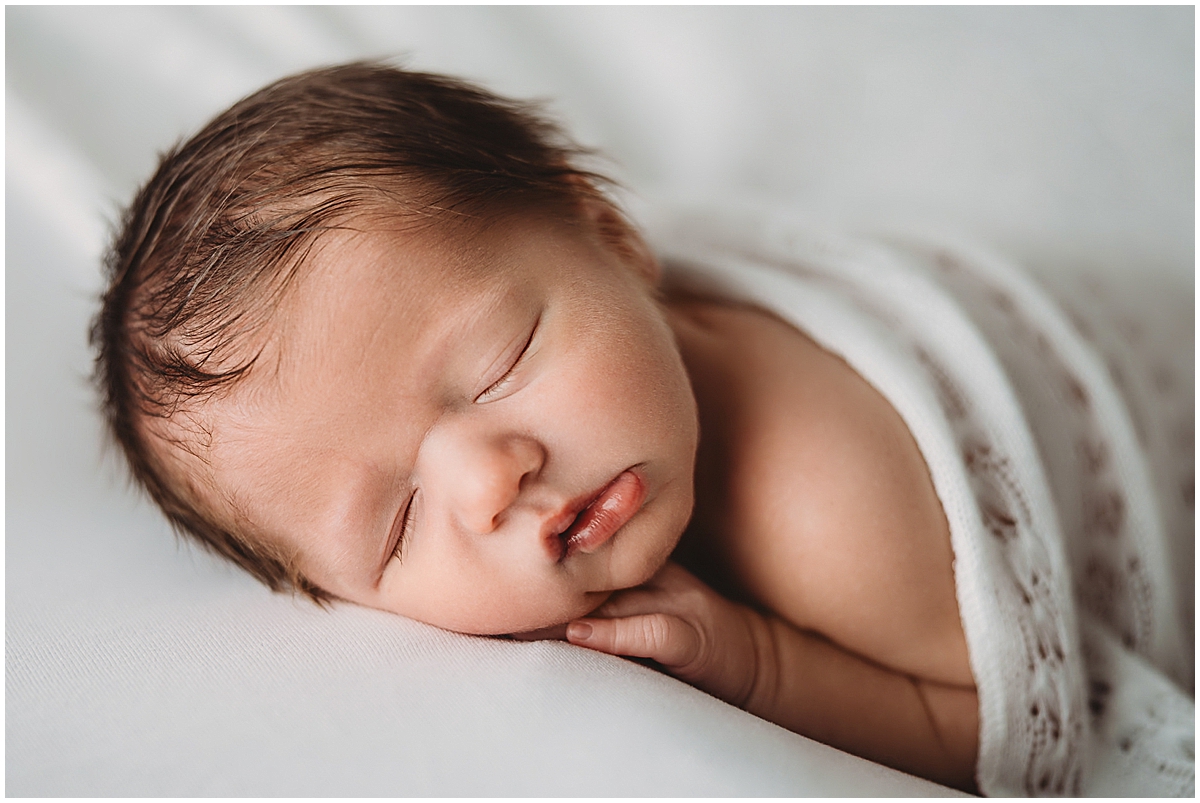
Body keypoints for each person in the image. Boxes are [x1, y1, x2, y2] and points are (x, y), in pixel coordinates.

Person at [97, 60, 1041, 794]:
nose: (488, 482)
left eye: (499, 366)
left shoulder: (828, 500)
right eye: (397, 526)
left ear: (618, 239)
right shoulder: (549, 296)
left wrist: (762, 664)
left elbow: (1008, 734)